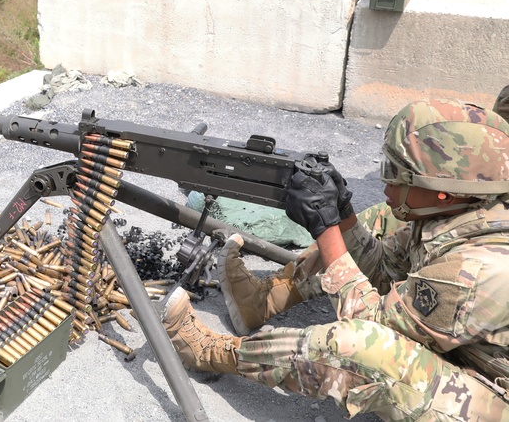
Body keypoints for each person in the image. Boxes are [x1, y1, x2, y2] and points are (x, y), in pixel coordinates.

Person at [163, 97, 509, 420]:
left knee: (359, 346)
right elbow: (384, 269)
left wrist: (326, 228)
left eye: (397, 175)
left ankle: (212, 354)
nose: (385, 183)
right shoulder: (466, 209)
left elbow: (371, 325)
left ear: (445, 194)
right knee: (378, 218)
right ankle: (262, 299)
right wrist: (342, 213)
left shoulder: (480, 270)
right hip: (471, 341)